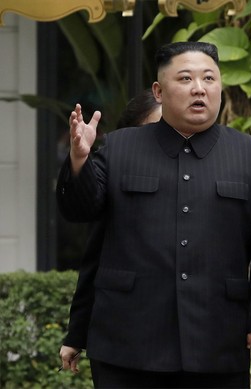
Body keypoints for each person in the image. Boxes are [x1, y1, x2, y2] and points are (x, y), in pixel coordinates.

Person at [57, 41, 251, 388]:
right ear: (159, 91)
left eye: (209, 79)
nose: (199, 88)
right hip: (128, 339)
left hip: (217, 337)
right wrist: (79, 159)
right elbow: (79, 210)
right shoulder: (119, 147)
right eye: (185, 78)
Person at [59, 89, 162, 384]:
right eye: (155, 129)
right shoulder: (114, 176)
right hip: (125, 338)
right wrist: (76, 334)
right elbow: (94, 261)